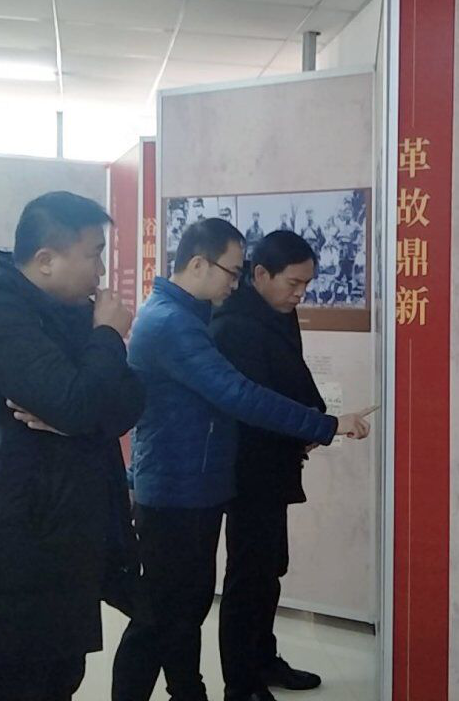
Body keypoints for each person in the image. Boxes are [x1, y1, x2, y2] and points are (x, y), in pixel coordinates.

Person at [111, 219, 373, 701]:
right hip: (174, 488)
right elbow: (239, 394)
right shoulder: (173, 324)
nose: (236, 283)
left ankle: (188, 691)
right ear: (198, 264)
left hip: (195, 484)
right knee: (160, 615)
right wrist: (326, 425)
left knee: (183, 608)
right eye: (232, 272)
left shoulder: (188, 315)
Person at [0, 191, 144, 701]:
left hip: (65, 535)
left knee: (59, 678)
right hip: (12, 540)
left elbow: (127, 403)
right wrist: (107, 338)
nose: (102, 270)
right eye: (94, 254)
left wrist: (79, 416)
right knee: (14, 683)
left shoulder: (69, 312)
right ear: (46, 259)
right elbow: (79, 403)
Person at [211, 231, 362, 700]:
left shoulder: (278, 310)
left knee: (270, 568)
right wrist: (317, 426)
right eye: (293, 283)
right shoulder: (233, 324)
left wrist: (314, 421)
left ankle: (264, 659)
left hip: (277, 459)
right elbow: (255, 403)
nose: (300, 294)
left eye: (307, 284)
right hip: (248, 467)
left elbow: (293, 374)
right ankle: (241, 683)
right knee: (248, 575)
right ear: (260, 274)